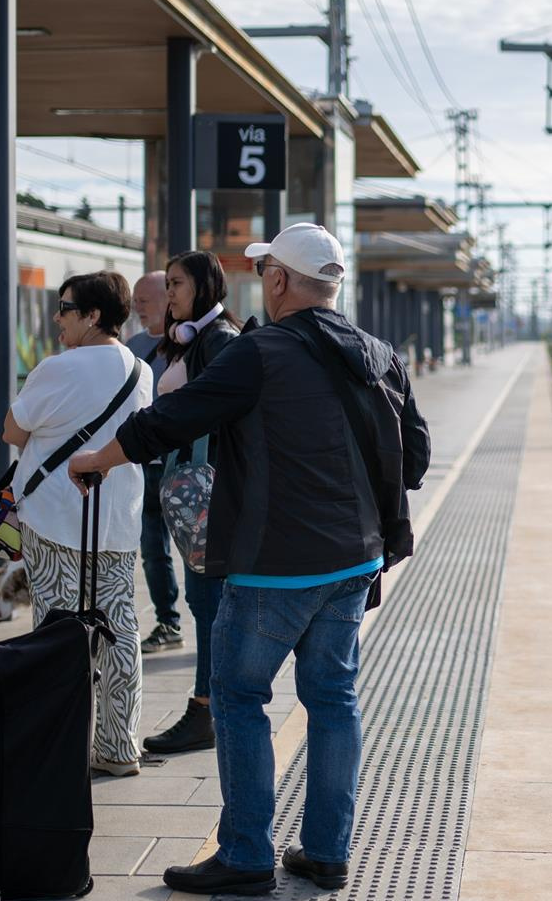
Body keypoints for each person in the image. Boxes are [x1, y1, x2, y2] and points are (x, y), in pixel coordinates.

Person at [68, 224, 430, 896]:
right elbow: (418, 457)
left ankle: (245, 855)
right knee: (333, 699)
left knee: (237, 696)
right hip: (355, 562)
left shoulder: (259, 352)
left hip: (273, 566)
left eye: (266, 272)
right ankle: (326, 853)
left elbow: (171, 420)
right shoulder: (380, 353)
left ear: (281, 280)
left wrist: (97, 459)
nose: (264, 282)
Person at [3, 271, 153, 776]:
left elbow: (13, 430)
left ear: (93, 315)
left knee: (56, 629)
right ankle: (118, 747)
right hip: (117, 519)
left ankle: (59, 746)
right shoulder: (140, 370)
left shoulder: (56, 368)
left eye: (65, 308)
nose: (57, 318)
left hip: (55, 516)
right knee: (119, 628)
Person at [141, 251, 243, 756]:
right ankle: (213, 706)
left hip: (209, 493)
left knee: (208, 604)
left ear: (204, 286)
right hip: (196, 491)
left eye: (177, 283)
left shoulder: (219, 339)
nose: (169, 293)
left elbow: (215, 412)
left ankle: (207, 709)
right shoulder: (194, 338)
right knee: (206, 604)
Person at [125, 271, 183, 655]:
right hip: (145, 464)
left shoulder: (190, 344)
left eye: (143, 300)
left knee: (198, 551)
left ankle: (209, 621)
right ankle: (168, 622)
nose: (137, 308)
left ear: (166, 300)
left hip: (181, 463)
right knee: (152, 549)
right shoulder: (132, 347)